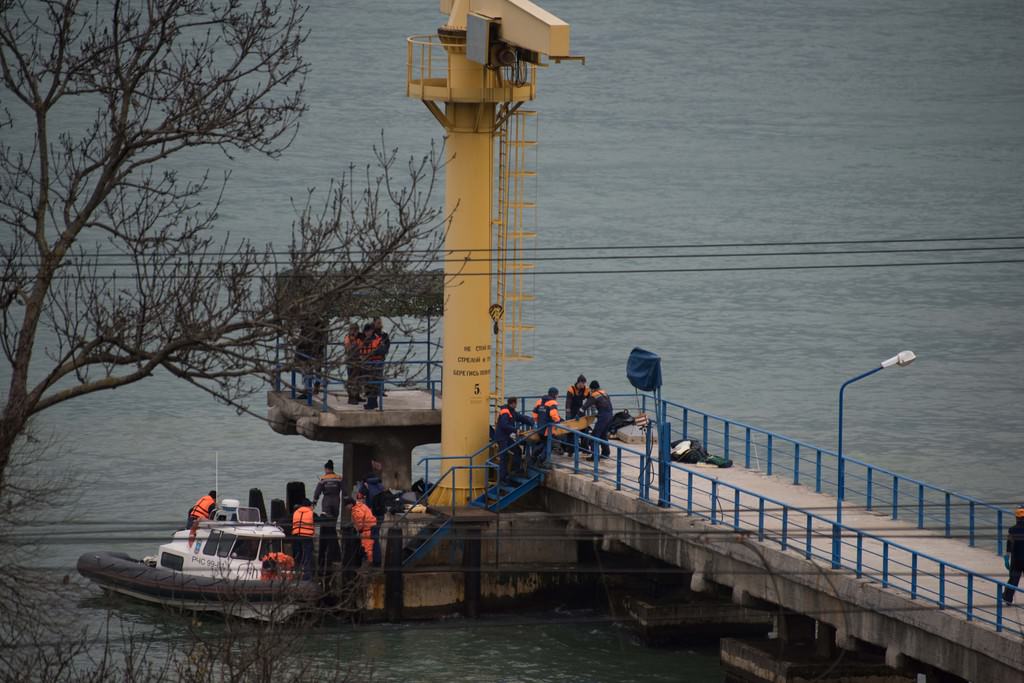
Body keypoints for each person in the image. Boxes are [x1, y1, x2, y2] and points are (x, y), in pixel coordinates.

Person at [495, 397, 535, 481]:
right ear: (512, 403)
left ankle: (515, 470)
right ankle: (503, 478)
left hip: (506, 436)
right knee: (504, 456)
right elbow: (504, 425)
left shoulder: (512, 411)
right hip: (501, 437)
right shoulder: (505, 412)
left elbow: (520, 417)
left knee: (517, 450)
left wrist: (531, 421)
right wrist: (515, 430)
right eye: (516, 403)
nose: (516, 405)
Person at [582, 380, 614, 460]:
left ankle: (595, 457)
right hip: (610, 416)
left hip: (603, 417)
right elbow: (606, 406)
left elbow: (585, 406)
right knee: (603, 435)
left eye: (590, 389)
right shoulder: (604, 393)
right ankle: (605, 453)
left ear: (592, 389)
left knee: (594, 436)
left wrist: (578, 414)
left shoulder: (594, 395)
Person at [531, 387, 561, 465]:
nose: (558, 396)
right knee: (549, 445)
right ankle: (541, 460)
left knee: (543, 443)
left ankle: (534, 455)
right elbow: (553, 415)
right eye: (557, 395)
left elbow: (534, 414)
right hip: (548, 429)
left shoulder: (540, 401)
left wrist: (538, 421)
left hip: (540, 427)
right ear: (554, 395)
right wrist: (558, 421)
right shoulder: (552, 403)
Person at [345, 494, 378, 566]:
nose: (346, 508)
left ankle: (370, 563)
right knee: (373, 546)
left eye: (346, 506)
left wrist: (359, 530)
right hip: (373, 525)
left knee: (367, 546)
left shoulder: (356, 510)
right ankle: (373, 561)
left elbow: (359, 521)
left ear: (350, 504)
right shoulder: (360, 505)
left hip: (367, 529)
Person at [290, 498, 316, 580]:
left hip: (296, 536)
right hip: (306, 536)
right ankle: (306, 576)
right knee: (307, 555)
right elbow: (319, 519)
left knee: (298, 554)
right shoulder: (310, 513)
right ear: (309, 505)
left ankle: (296, 573)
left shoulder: (295, 512)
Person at [1004, 506, 1024, 605]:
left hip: (1016, 560)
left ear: (1017, 518)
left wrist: (1006, 558)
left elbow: (1009, 544)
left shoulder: (1012, 530)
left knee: (1013, 579)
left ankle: (1008, 599)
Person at [360, 323, 383, 410]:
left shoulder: (378, 339)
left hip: (376, 363)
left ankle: (371, 403)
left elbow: (382, 350)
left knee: (374, 384)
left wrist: (373, 353)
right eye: (366, 331)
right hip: (366, 364)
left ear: (372, 331)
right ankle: (372, 403)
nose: (367, 333)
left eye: (369, 331)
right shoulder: (363, 340)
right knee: (368, 384)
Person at [343, 323, 363, 404]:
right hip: (350, 361)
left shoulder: (359, 338)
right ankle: (351, 397)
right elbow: (348, 349)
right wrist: (354, 341)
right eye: (353, 330)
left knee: (358, 379)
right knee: (351, 380)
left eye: (356, 330)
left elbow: (362, 347)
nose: (354, 332)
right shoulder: (347, 338)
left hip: (358, 360)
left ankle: (357, 395)